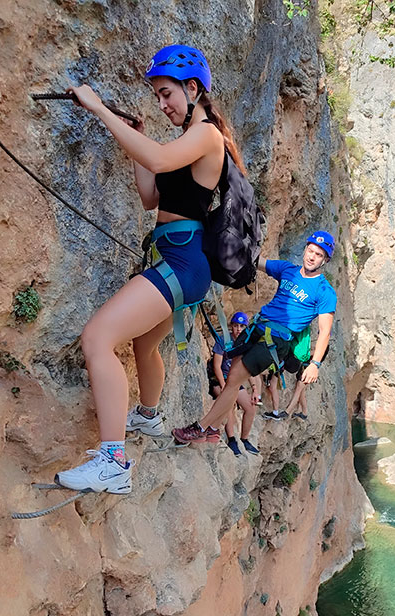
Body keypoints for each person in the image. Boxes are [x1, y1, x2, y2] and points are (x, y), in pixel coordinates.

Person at [55, 45, 245, 494]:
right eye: (158, 97)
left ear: (193, 88)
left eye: (167, 94)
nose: (163, 105)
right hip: (178, 260)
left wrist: (101, 109)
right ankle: (149, 415)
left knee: (97, 337)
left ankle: (113, 462)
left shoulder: (206, 136)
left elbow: (158, 160)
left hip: (182, 261)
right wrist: (136, 139)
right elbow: (151, 196)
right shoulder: (185, 142)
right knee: (144, 345)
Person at [173, 231, 337, 450]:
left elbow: (325, 331)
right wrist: (229, 239)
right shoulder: (287, 269)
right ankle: (211, 430)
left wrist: (315, 364)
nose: (312, 256)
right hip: (256, 329)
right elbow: (256, 261)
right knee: (232, 378)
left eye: (318, 254)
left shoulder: (325, 291)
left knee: (233, 380)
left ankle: (200, 428)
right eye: (310, 250)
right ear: (305, 249)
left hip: (276, 341)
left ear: (324, 260)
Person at [208, 312, 260, 456]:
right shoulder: (224, 340)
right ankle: (232, 439)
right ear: (231, 326)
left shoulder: (246, 344)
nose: (238, 329)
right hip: (219, 380)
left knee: (250, 408)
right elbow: (217, 366)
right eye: (236, 326)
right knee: (228, 404)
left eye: (242, 326)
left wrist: (255, 390)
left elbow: (248, 369)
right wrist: (224, 385)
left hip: (234, 381)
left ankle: (244, 439)